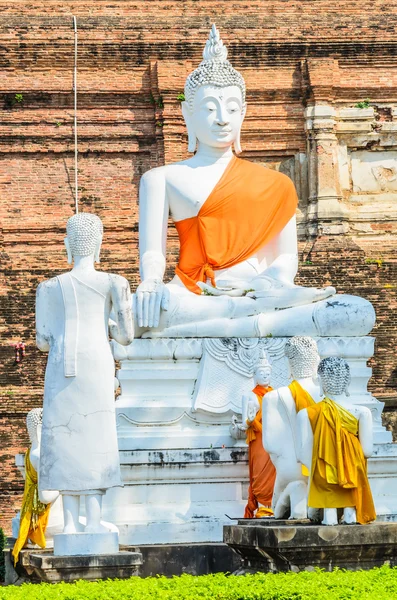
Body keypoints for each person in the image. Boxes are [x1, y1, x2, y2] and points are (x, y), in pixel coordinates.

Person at [133, 25, 374, 339]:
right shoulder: (161, 178)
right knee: (135, 312)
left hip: (262, 295)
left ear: (243, 114)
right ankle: (240, 317)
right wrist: (151, 282)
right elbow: (153, 254)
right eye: (209, 108)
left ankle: (241, 315)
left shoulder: (276, 184)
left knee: (355, 311)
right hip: (193, 295)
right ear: (186, 114)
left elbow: (286, 258)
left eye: (232, 109)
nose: (222, 118)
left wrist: (262, 284)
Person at [36, 213, 134, 534]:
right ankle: (93, 520)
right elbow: (126, 336)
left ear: (67, 245)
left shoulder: (48, 287)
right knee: (96, 435)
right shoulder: (114, 283)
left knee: (64, 438)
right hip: (96, 362)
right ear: (99, 244)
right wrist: (105, 323)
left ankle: (70, 524)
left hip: (63, 364)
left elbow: (41, 341)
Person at [297, 357, 376, 525]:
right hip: (353, 473)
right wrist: (346, 462)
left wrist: (329, 461)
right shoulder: (362, 412)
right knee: (350, 515)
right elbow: (367, 451)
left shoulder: (306, 413)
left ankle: (330, 516)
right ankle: (350, 514)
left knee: (329, 516)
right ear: (348, 381)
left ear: (320, 381)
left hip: (324, 474)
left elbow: (302, 454)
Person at [241, 351, 275, 518]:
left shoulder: (275, 394)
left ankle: (274, 506)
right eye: (262, 373)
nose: (265, 376)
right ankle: (262, 506)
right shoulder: (249, 395)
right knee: (260, 474)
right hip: (258, 439)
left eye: (268, 373)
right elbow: (243, 423)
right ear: (254, 375)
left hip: (274, 438)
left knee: (275, 472)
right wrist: (251, 420)